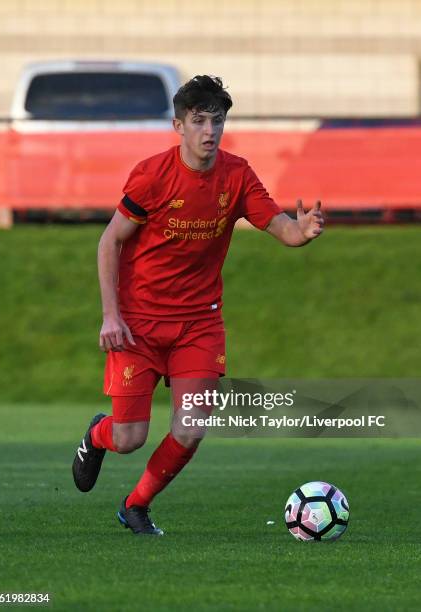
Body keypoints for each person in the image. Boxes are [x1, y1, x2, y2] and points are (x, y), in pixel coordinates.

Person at [72, 75, 324, 536]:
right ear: (178, 125)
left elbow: (282, 228)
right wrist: (111, 314)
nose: (210, 130)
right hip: (139, 324)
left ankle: (135, 506)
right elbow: (110, 242)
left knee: (190, 428)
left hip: (198, 324)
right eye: (199, 120)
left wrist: (301, 231)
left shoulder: (237, 174)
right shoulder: (151, 176)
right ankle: (97, 435)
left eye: (218, 120)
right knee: (130, 437)